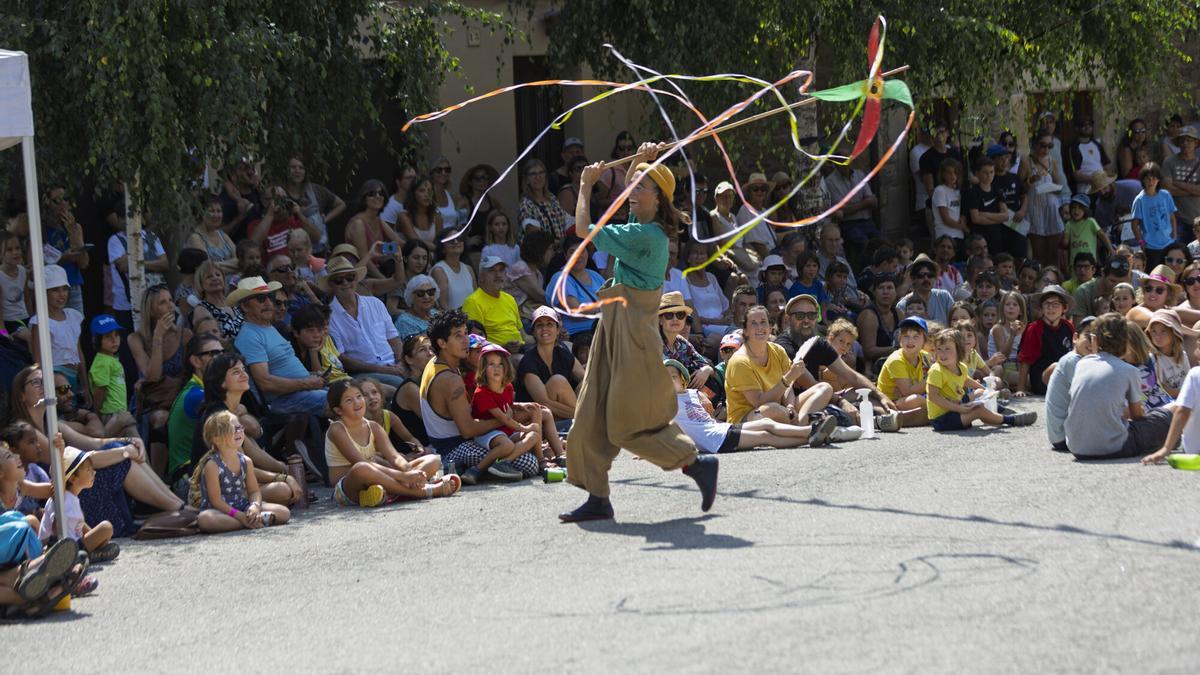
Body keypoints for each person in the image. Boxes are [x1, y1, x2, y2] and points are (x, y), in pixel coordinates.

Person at [561, 143, 720, 523]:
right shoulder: (641, 227)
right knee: (589, 414)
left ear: (659, 198)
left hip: (632, 332)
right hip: (613, 326)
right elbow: (623, 200)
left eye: (642, 185)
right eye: (633, 184)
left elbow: (583, 228)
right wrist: (639, 161)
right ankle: (598, 497)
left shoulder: (649, 237)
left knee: (626, 423)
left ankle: (694, 463)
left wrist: (585, 185)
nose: (633, 189)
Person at [419, 310, 540, 478]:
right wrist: (504, 418)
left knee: (528, 430)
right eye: (458, 336)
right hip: (453, 448)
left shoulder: (437, 362)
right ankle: (470, 470)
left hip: (455, 441)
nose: (465, 340)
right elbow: (468, 430)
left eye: (466, 334)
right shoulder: (449, 379)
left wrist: (514, 410)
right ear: (442, 343)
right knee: (529, 463)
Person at [324, 380, 458, 507]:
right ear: (338, 410)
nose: (357, 402)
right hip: (348, 487)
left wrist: (408, 470)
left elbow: (394, 457)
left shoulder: (373, 427)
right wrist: (404, 476)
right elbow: (360, 462)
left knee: (433, 460)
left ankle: (389, 492)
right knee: (361, 468)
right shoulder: (337, 429)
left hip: (379, 478)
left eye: (359, 396)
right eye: (349, 400)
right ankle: (424, 491)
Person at [665, 359, 841, 452]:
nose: (668, 380)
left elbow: (707, 414)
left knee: (766, 425)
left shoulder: (693, 394)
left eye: (673, 376)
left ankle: (813, 433)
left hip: (721, 429)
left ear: (683, 380)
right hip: (713, 441)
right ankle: (811, 433)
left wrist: (700, 395)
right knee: (765, 436)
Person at [1065, 313, 1171, 459]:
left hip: (1077, 447)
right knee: (1165, 416)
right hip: (1116, 447)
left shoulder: (1082, 363)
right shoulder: (1129, 370)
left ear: (1095, 340)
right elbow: (1137, 416)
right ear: (1126, 342)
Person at [231, 276, 328, 417]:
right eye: (260, 299)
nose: (268, 303)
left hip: (302, 393)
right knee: (347, 400)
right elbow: (265, 383)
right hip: (284, 400)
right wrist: (307, 383)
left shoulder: (269, 328)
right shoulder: (249, 336)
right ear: (245, 306)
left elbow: (282, 370)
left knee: (357, 392)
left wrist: (312, 377)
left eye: (270, 297)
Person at [195, 411, 291, 533]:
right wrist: (239, 515)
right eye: (232, 429)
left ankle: (251, 519)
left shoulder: (246, 461)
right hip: (221, 510)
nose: (239, 431)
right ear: (217, 439)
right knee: (205, 520)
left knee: (284, 513)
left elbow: (254, 491)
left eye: (239, 427)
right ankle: (250, 521)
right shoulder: (212, 465)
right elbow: (216, 501)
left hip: (243, 505)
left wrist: (255, 506)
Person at [926, 328, 1036, 431]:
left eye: (947, 349)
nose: (942, 353)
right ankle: (1010, 420)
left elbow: (966, 380)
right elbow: (933, 396)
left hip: (956, 405)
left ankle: (1002, 411)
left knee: (980, 392)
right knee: (977, 410)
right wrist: (957, 408)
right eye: (939, 349)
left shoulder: (961, 366)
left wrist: (986, 390)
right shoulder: (936, 370)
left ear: (958, 350)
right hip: (941, 418)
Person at [323, 257, 407, 390]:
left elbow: (394, 339)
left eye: (350, 278)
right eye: (339, 280)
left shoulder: (375, 303)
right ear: (331, 285)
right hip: (363, 373)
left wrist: (401, 362)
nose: (345, 283)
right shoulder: (329, 317)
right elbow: (342, 359)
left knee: (425, 376)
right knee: (401, 385)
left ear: (356, 280)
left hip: (394, 365)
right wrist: (384, 370)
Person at [465, 344, 544, 484]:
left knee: (534, 435)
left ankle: (504, 463)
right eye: (491, 364)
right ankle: (476, 470)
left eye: (501, 364)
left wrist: (520, 405)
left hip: (505, 430)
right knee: (507, 445)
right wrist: (525, 428)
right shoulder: (481, 392)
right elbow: (503, 418)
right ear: (483, 367)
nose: (497, 368)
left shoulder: (508, 387)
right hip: (487, 432)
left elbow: (507, 406)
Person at [37, 447, 120, 562]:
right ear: (73, 478)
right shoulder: (62, 498)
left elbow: (79, 523)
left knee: (103, 534)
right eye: (88, 470)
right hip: (59, 547)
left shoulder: (71, 497)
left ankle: (88, 554)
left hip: (72, 543)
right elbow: (55, 527)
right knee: (106, 527)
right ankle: (81, 556)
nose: (94, 472)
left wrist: (95, 537)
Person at [516, 306, 584, 421]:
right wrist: (580, 415)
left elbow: (587, 381)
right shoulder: (528, 361)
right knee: (557, 382)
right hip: (534, 419)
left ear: (557, 330)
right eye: (539, 325)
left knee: (588, 382)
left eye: (549, 324)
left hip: (562, 413)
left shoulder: (563, 354)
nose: (544, 329)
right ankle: (583, 423)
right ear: (533, 332)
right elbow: (543, 403)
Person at [1017, 285, 1075, 395]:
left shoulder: (1068, 327)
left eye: (1055, 304)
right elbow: (1025, 361)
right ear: (1041, 307)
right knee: (1056, 366)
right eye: (1047, 304)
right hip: (1043, 379)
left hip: (1064, 376)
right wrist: (1021, 388)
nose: (1050, 308)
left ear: (1064, 308)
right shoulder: (1034, 328)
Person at [876, 316, 933, 427]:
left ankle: (933, 410)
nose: (910, 341)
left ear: (924, 341)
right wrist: (931, 380)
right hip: (892, 402)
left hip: (911, 397)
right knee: (917, 400)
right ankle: (939, 409)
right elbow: (907, 391)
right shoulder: (896, 360)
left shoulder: (925, 357)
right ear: (900, 340)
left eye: (916, 337)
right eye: (906, 336)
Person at [1142, 355, 1200, 464]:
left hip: (1194, 451)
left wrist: (1166, 449)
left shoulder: (1195, 374)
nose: (1196, 352)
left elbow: (1182, 411)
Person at [463, 256, 527, 351]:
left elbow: (524, 336)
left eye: (501, 270)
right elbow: (473, 342)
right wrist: (502, 347)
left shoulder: (509, 299)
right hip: (495, 354)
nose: (498, 275)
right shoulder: (473, 302)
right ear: (481, 277)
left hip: (521, 348)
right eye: (492, 271)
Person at [282, 157, 345, 253]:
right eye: (293, 167)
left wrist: (325, 219)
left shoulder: (316, 190)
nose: (297, 171)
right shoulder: (281, 193)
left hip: (319, 250)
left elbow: (341, 204)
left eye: (301, 168)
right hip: (291, 252)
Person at [546, 237, 605, 339]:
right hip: (578, 335)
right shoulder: (560, 278)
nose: (578, 255)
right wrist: (603, 308)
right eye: (572, 252)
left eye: (582, 251)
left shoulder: (595, 275)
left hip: (603, 329)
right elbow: (576, 311)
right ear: (565, 256)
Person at [345, 179, 404, 280]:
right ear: (364, 199)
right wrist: (384, 280)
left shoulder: (378, 221)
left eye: (381, 193)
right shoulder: (358, 223)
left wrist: (386, 250)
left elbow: (400, 244)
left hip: (378, 270)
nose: (377, 196)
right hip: (358, 276)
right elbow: (365, 260)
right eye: (372, 193)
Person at [1026, 132, 1068, 269]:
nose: (1046, 149)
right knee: (1039, 253)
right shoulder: (1027, 161)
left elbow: (1059, 187)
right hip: (1035, 210)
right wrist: (1031, 180)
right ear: (1035, 145)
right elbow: (1021, 187)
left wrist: (1051, 187)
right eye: (1043, 145)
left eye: (1049, 146)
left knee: (1053, 253)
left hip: (1051, 210)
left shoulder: (1052, 161)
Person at [1131, 163, 1178, 269]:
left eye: (1154, 178)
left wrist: (1174, 236)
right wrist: (1141, 242)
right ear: (1142, 180)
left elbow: (1172, 217)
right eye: (1147, 178)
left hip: (1169, 243)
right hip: (1151, 247)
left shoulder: (1166, 195)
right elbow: (1134, 225)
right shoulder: (1139, 200)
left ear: (1158, 180)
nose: (1151, 182)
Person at [518, 158, 569, 244]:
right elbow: (535, 236)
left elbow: (566, 222)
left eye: (541, 172)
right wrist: (559, 243)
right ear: (526, 179)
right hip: (540, 255)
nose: (538, 177)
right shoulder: (526, 204)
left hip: (558, 253)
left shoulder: (553, 198)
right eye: (533, 174)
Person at [897, 254, 955, 325]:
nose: (926, 279)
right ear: (913, 278)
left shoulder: (945, 297)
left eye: (930, 275)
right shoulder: (903, 304)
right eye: (921, 275)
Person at [1162, 125, 1200, 232]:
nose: (1185, 143)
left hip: (1198, 219)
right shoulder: (1169, 162)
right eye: (1182, 140)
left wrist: (1177, 183)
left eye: (1189, 140)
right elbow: (1168, 190)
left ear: (1196, 143)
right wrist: (1193, 191)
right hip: (1176, 219)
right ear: (1178, 143)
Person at [1067, 117, 1112, 195]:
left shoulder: (1097, 144)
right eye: (1083, 125)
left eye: (1090, 124)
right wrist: (1095, 180)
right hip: (1086, 191)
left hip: (1103, 188)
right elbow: (1076, 176)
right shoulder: (1073, 148)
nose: (1087, 127)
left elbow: (1106, 165)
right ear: (1076, 128)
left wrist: (1108, 181)